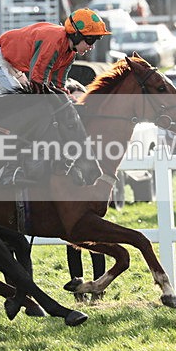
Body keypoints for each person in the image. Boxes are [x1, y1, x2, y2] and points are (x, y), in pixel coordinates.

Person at [0, 8, 111, 97]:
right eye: (90, 40)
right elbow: (38, 82)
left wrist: (73, 101)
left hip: (14, 69)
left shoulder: (69, 54)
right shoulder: (54, 40)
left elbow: (58, 85)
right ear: (77, 35)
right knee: (18, 105)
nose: (91, 47)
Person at [63, 78, 106, 301]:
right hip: (73, 186)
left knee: (98, 240)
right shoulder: (65, 128)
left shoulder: (93, 126)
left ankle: (98, 287)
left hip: (92, 184)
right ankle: (78, 288)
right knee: (73, 242)